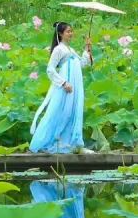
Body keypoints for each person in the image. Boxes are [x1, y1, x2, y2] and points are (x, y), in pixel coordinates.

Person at [30, 21, 95, 154]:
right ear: (60, 34)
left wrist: (87, 48)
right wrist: (63, 83)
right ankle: (53, 141)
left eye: (71, 31)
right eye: (68, 31)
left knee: (73, 111)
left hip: (75, 84)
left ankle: (73, 143)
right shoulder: (58, 49)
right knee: (61, 112)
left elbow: (83, 63)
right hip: (66, 84)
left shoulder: (71, 50)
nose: (71, 34)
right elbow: (50, 69)